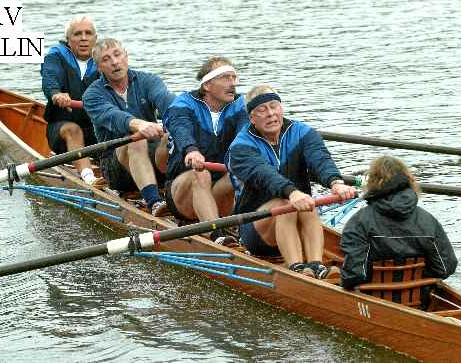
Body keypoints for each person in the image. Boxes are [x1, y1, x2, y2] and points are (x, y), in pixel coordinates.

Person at [227, 85, 355, 279]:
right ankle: (296, 268)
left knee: (308, 204)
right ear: (252, 118)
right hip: (256, 230)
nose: (270, 114)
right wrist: (292, 192)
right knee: (286, 204)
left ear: (281, 108)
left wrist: (335, 182)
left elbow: (320, 159)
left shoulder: (303, 133)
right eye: (262, 110)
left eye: (273, 106)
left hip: (298, 210)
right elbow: (265, 175)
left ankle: (316, 266)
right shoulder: (241, 147)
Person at [83, 38, 175, 216]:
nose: (114, 62)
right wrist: (139, 124)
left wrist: (180, 117)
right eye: (106, 59)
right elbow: (114, 117)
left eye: (117, 55)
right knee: (136, 141)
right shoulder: (92, 95)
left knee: (171, 136)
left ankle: (174, 188)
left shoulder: (149, 80)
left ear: (126, 55)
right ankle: (154, 202)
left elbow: (167, 101)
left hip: (154, 157)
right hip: (116, 168)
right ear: (99, 67)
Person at [340, 155, 457, 290]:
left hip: (371, 295)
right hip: (419, 297)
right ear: (408, 181)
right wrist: (415, 276)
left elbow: (353, 276)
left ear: (373, 182)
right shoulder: (428, 220)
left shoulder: (358, 222)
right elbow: (446, 267)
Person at [163, 57, 248, 241]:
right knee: (201, 174)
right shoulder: (184, 103)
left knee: (246, 172)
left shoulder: (241, 105)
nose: (233, 84)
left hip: (219, 189)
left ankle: (245, 230)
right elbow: (180, 127)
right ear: (207, 85)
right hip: (184, 191)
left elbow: (245, 134)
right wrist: (191, 149)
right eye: (225, 78)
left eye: (234, 78)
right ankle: (216, 236)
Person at [41, 14, 102, 185]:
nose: (83, 38)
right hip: (62, 130)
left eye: (88, 33)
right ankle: (89, 177)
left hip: (96, 130)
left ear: (95, 38)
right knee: (74, 130)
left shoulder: (104, 58)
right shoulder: (56, 56)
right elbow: (50, 78)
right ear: (68, 40)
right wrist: (56, 94)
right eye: (77, 34)